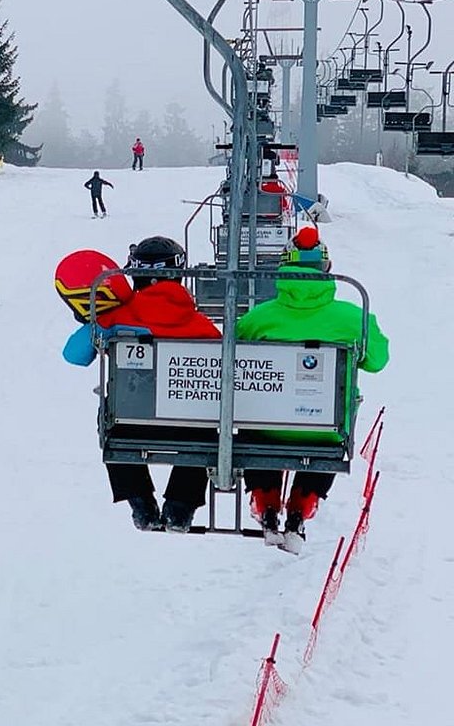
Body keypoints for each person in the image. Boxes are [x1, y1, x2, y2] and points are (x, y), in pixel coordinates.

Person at [238, 227, 389, 548]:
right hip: (324, 428)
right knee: (326, 429)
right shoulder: (353, 317)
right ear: (326, 269)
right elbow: (377, 361)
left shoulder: (258, 318)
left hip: (264, 426)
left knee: (255, 425)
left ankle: (265, 504)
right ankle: (300, 509)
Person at [63, 236, 220, 532]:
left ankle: (141, 503)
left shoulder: (117, 317)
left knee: (111, 423)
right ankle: (180, 507)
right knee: (209, 430)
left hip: (131, 424)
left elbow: (73, 355)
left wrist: (93, 323)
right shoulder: (203, 327)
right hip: (190, 427)